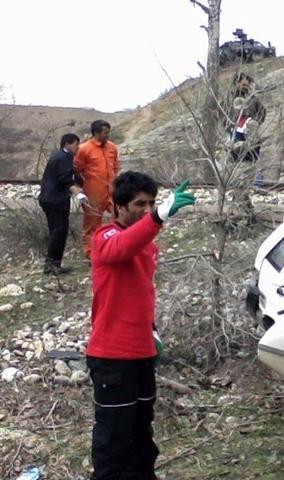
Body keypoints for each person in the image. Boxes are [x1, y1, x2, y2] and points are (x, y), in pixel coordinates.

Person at [86, 172, 195, 480]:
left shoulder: (148, 245)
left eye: (152, 204)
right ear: (118, 207)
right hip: (112, 357)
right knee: (113, 437)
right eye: (139, 204)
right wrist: (159, 217)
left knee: (141, 435)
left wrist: (152, 330)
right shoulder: (105, 238)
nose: (146, 211)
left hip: (142, 353)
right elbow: (121, 246)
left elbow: (142, 291)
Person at [38, 133, 87, 274]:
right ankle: (51, 266)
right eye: (76, 144)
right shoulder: (62, 158)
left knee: (58, 230)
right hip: (55, 200)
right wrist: (78, 193)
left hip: (51, 199)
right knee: (59, 231)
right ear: (67, 144)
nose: (78, 147)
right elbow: (65, 178)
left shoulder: (63, 156)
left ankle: (54, 265)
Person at [74, 120, 120, 259]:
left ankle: (114, 248)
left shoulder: (112, 147)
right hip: (93, 191)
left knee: (118, 218)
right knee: (92, 223)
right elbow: (77, 169)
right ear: (96, 133)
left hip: (111, 190)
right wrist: (83, 187)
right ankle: (91, 254)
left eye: (108, 132)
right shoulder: (83, 149)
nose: (108, 135)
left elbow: (115, 166)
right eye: (105, 133)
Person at [228, 72, 267, 165]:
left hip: (251, 134)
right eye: (244, 84)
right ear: (237, 83)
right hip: (235, 134)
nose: (246, 87)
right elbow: (222, 115)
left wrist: (254, 122)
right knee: (236, 162)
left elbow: (263, 112)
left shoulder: (253, 98)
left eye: (248, 85)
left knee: (252, 161)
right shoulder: (228, 100)